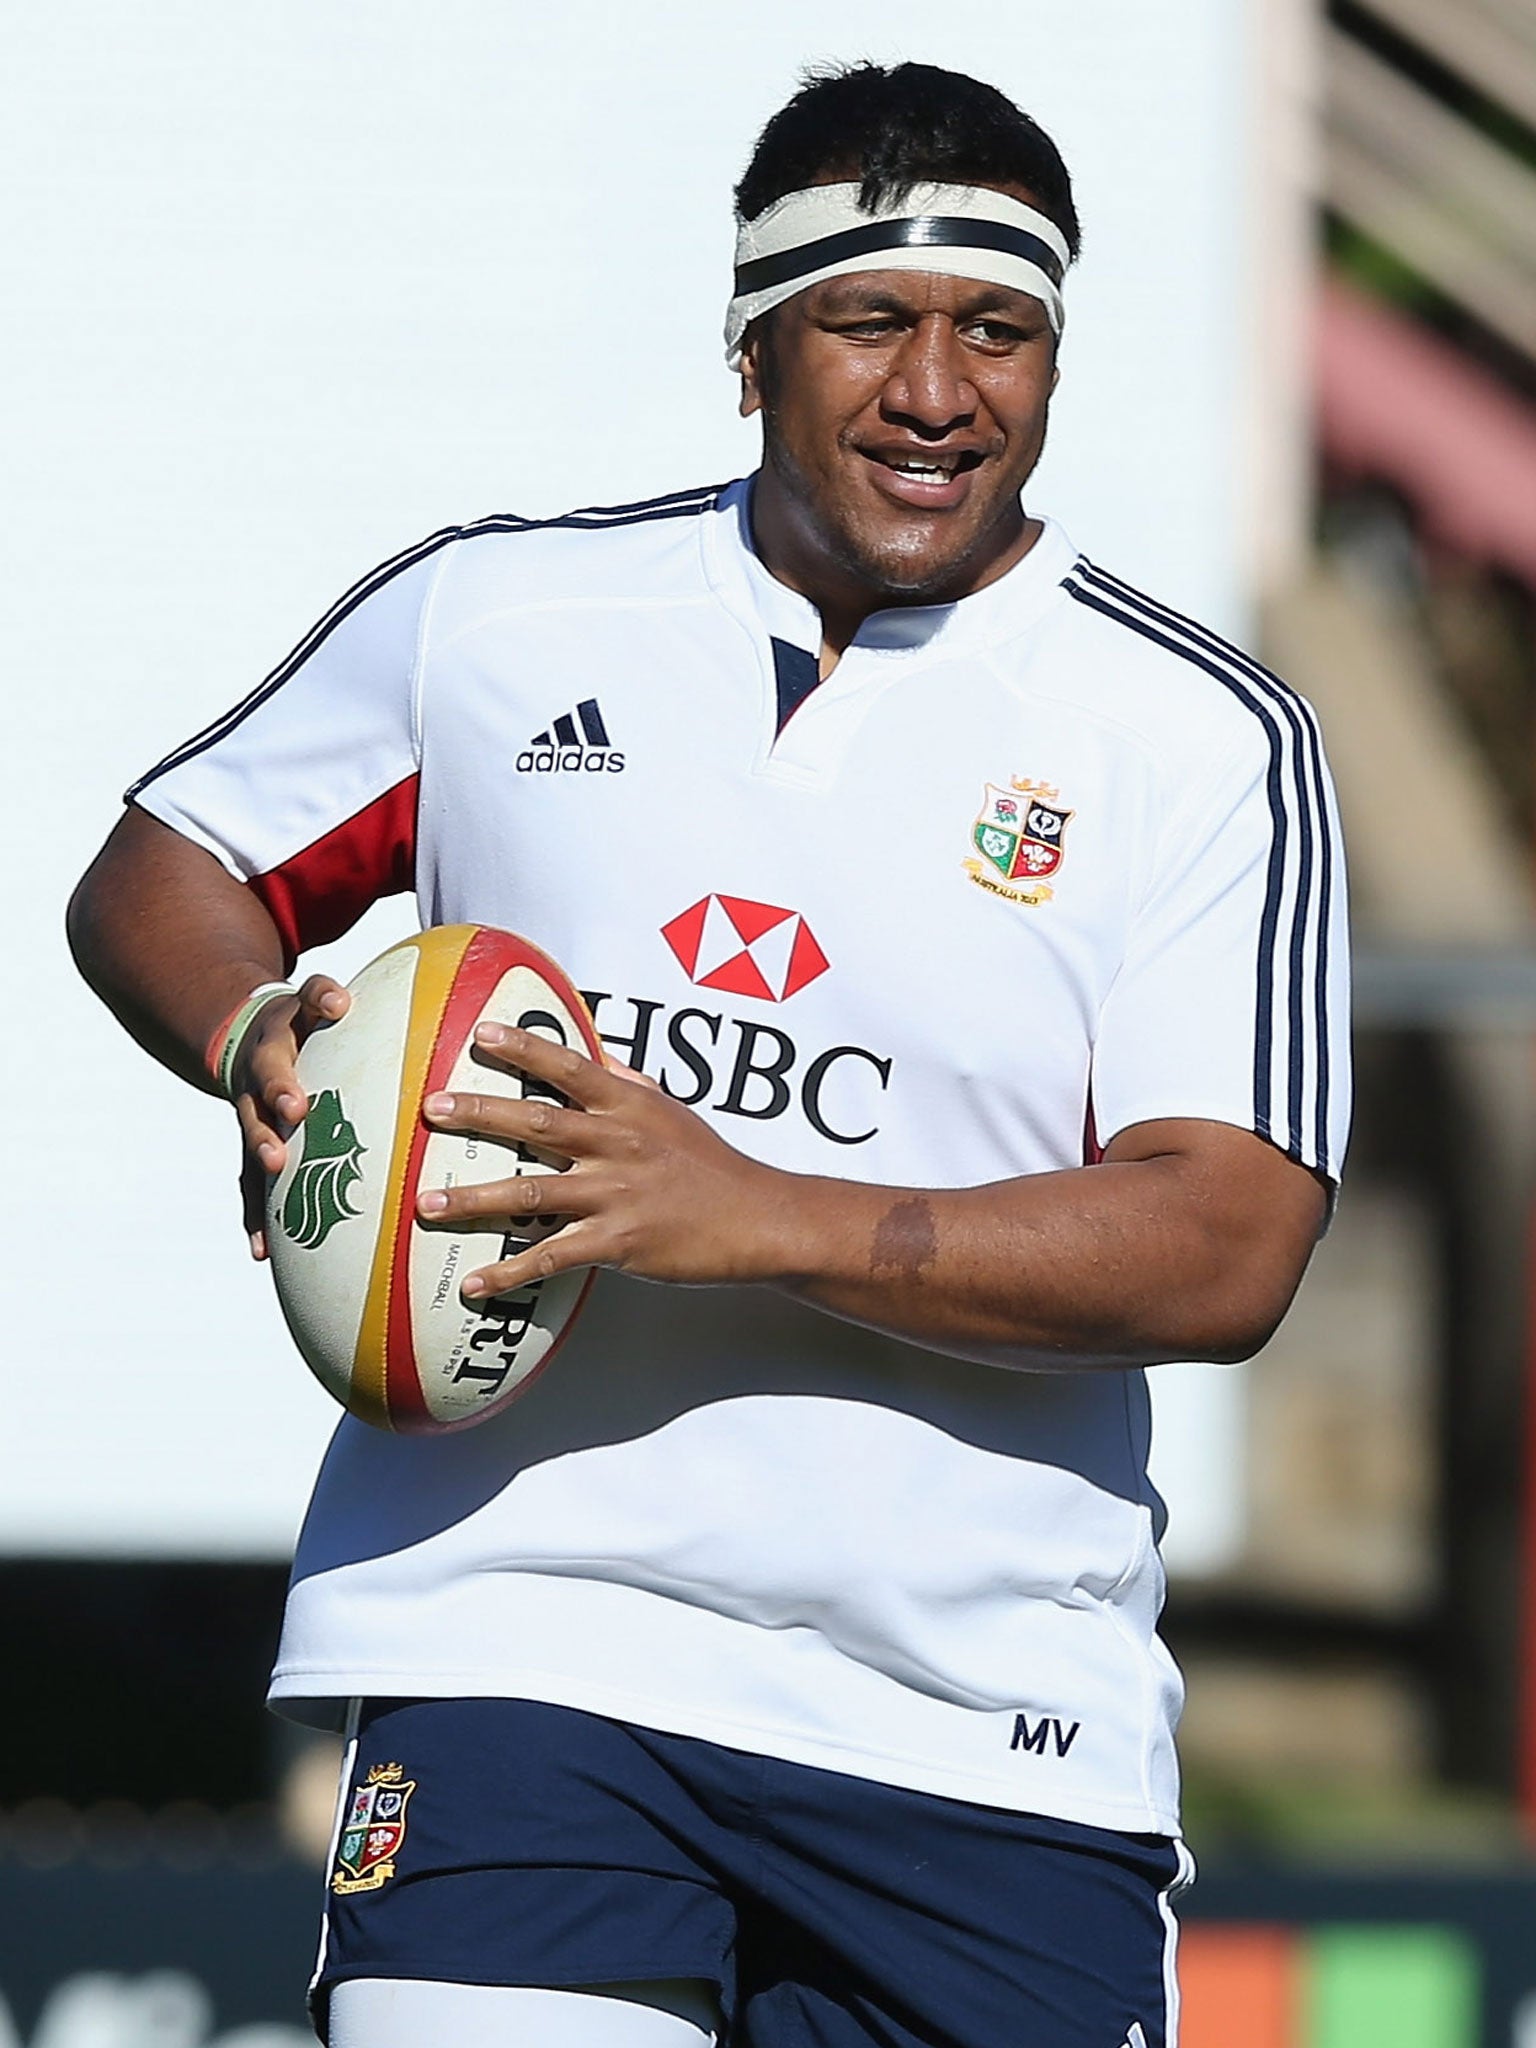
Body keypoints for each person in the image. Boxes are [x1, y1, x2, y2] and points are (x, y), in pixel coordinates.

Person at [69, 59, 1348, 2048]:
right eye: (872, 320)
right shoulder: (503, 619)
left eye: (998, 329)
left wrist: (746, 1212)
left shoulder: (1194, 734)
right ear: (753, 345)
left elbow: (1227, 1244)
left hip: (985, 1724)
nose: (941, 389)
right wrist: (261, 1037)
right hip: (521, 1625)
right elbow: (169, 860)